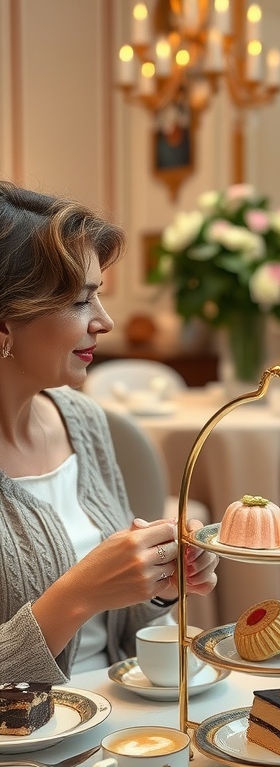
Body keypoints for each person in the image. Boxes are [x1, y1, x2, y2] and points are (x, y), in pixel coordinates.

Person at [0, 181, 218, 684]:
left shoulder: (83, 421)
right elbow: (84, 600)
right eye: (81, 302)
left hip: (117, 722)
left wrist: (161, 583)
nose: (105, 321)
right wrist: (76, 596)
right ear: (4, 323)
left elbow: (120, 638)